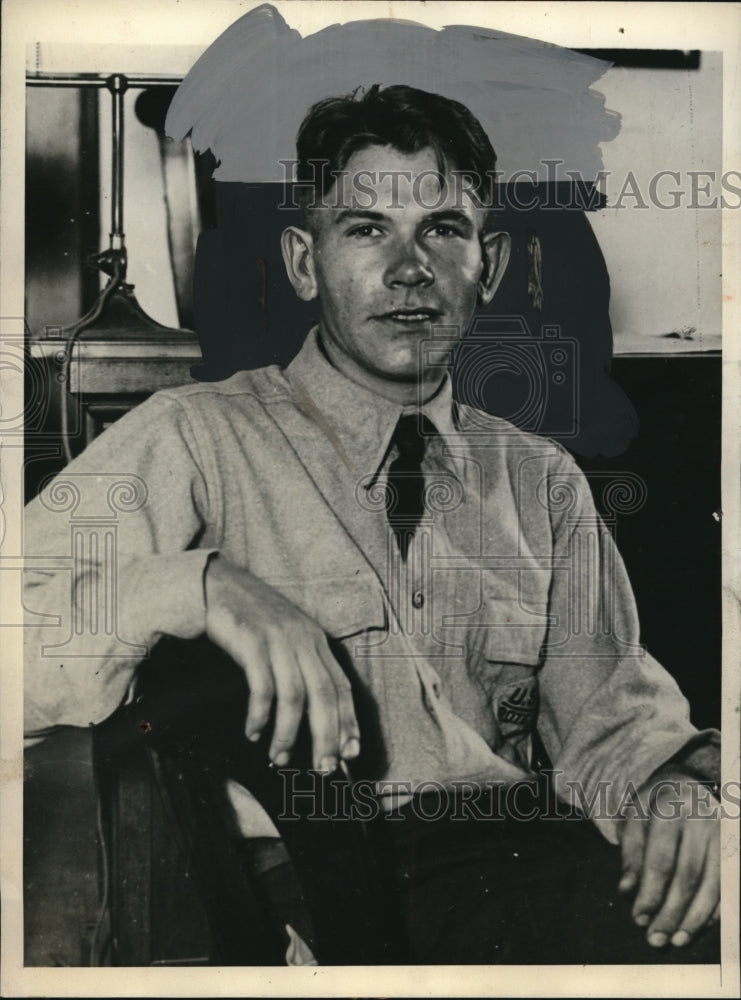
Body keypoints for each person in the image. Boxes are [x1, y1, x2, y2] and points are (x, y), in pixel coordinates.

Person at [24, 84, 720, 964]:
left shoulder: (543, 483)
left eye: (442, 229)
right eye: (364, 229)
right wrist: (194, 585)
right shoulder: (194, 437)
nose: (409, 269)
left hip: (525, 865)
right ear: (303, 263)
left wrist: (676, 787)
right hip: (326, 898)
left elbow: (613, 727)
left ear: (489, 264)